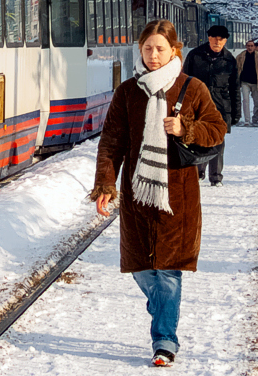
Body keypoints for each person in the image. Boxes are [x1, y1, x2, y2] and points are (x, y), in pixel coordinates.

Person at [90, 19, 227, 368]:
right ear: (140, 50)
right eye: (147, 48)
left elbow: (217, 129)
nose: (153, 55)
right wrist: (106, 184)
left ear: (173, 50)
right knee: (140, 268)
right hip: (137, 196)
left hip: (177, 197)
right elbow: (112, 143)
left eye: (160, 49)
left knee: (168, 270)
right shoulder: (126, 92)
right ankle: (163, 306)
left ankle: (164, 341)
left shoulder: (192, 88)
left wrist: (187, 128)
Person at [182, 24, 240, 186]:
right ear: (208, 38)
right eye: (214, 38)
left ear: (225, 41)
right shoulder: (195, 56)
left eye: (220, 39)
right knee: (198, 138)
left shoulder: (229, 60)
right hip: (197, 106)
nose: (217, 42)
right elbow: (184, 82)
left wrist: (236, 112)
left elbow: (235, 88)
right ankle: (199, 170)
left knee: (218, 142)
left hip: (221, 107)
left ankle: (215, 177)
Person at [235, 41, 258, 126]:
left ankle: (255, 119)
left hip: (257, 82)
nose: (250, 47)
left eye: (251, 46)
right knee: (245, 100)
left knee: (257, 102)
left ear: (254, 47)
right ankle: (247, 120)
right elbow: (235, 69)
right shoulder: (240, 56)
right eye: (248, 46)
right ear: (246, 46)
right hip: (244, 82)